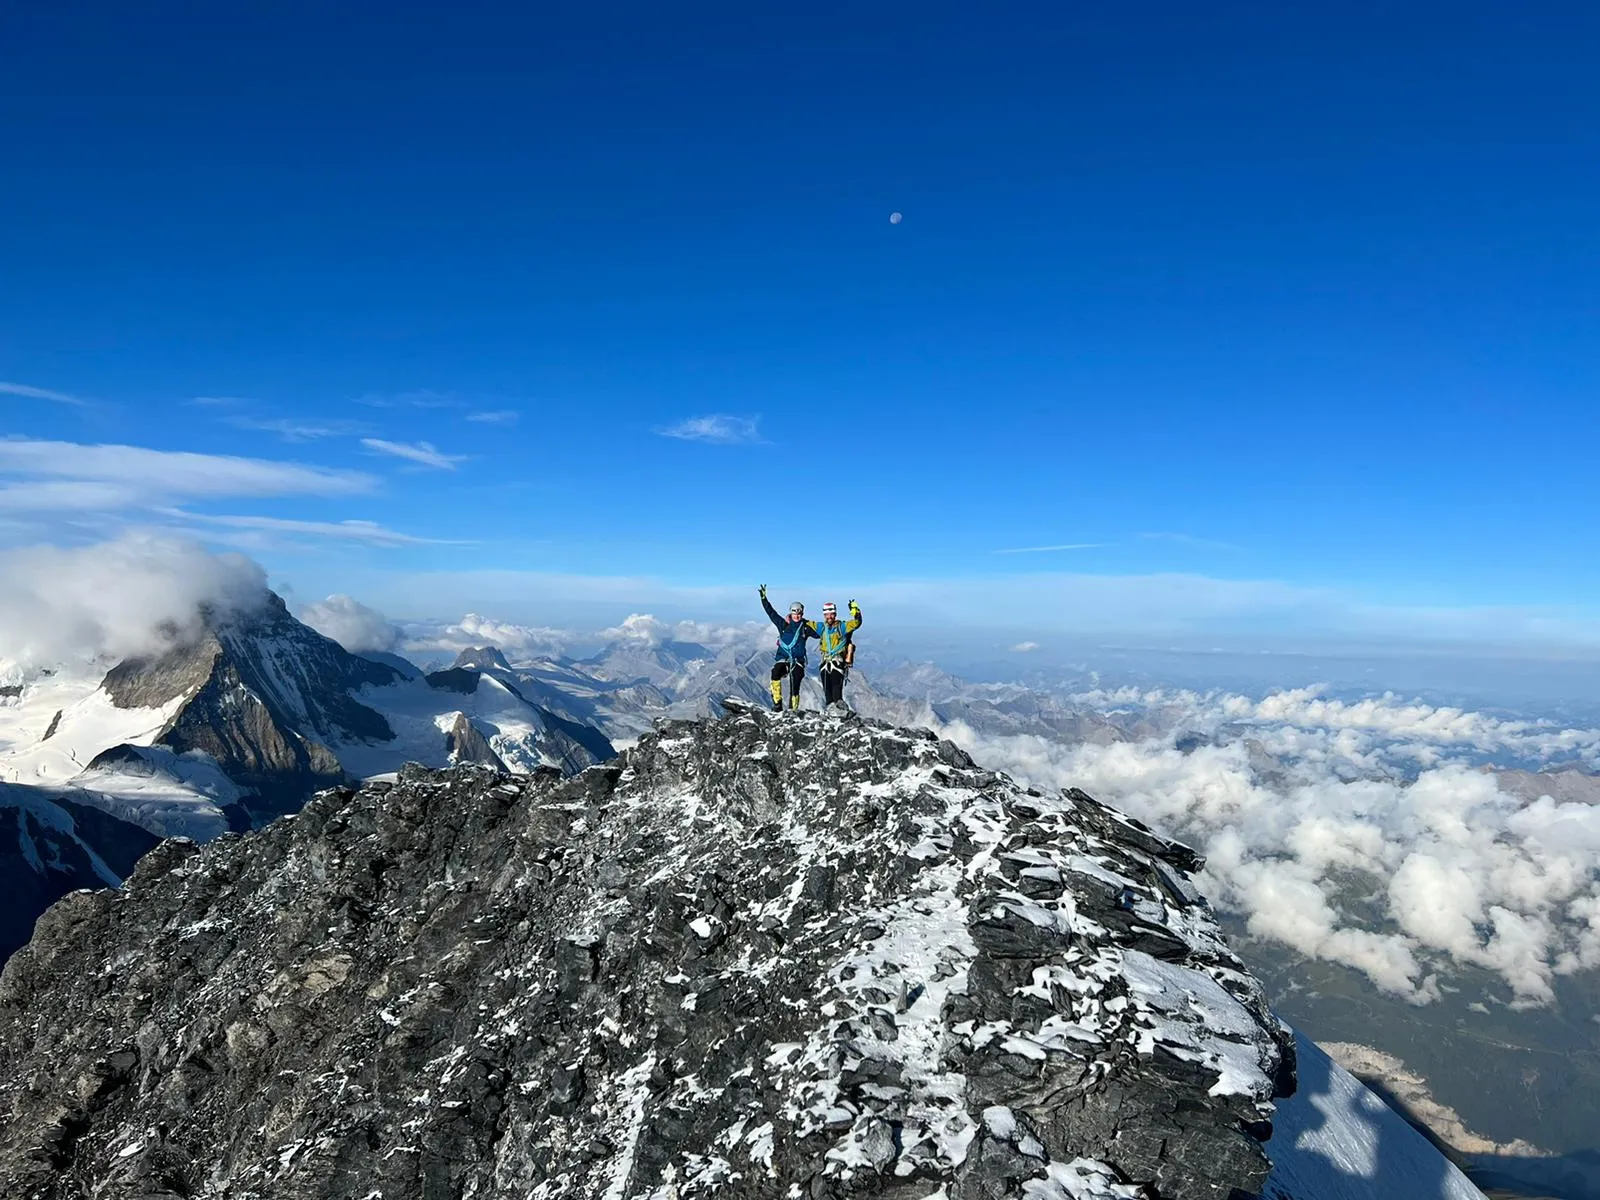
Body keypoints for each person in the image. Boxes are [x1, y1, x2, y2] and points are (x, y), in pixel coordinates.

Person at [759, 584, 818, 711]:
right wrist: (764, 599)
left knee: (795, 680)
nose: (797, 615)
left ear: (802, 613)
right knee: (775, 672)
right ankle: (777, 704)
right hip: (784, 659)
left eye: (799, 613)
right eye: (794, 613)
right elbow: (771, 613)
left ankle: (793, 710)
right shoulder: (783, 625)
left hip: (798, 661)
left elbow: (821, 634)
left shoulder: (806, 627)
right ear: (791, 613)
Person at [814, 599, 862, 708]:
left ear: (835, 614)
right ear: (824, 615)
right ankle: (833, 716)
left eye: (831, 614)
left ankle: (839, 713)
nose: (829, 617)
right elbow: (805, 623)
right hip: (825, 663)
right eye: (827, 614)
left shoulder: (842, 627)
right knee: (828, 694)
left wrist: (856, 612)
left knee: (836, 692)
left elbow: (857, 623)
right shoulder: (822, 627)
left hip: (837, 662)